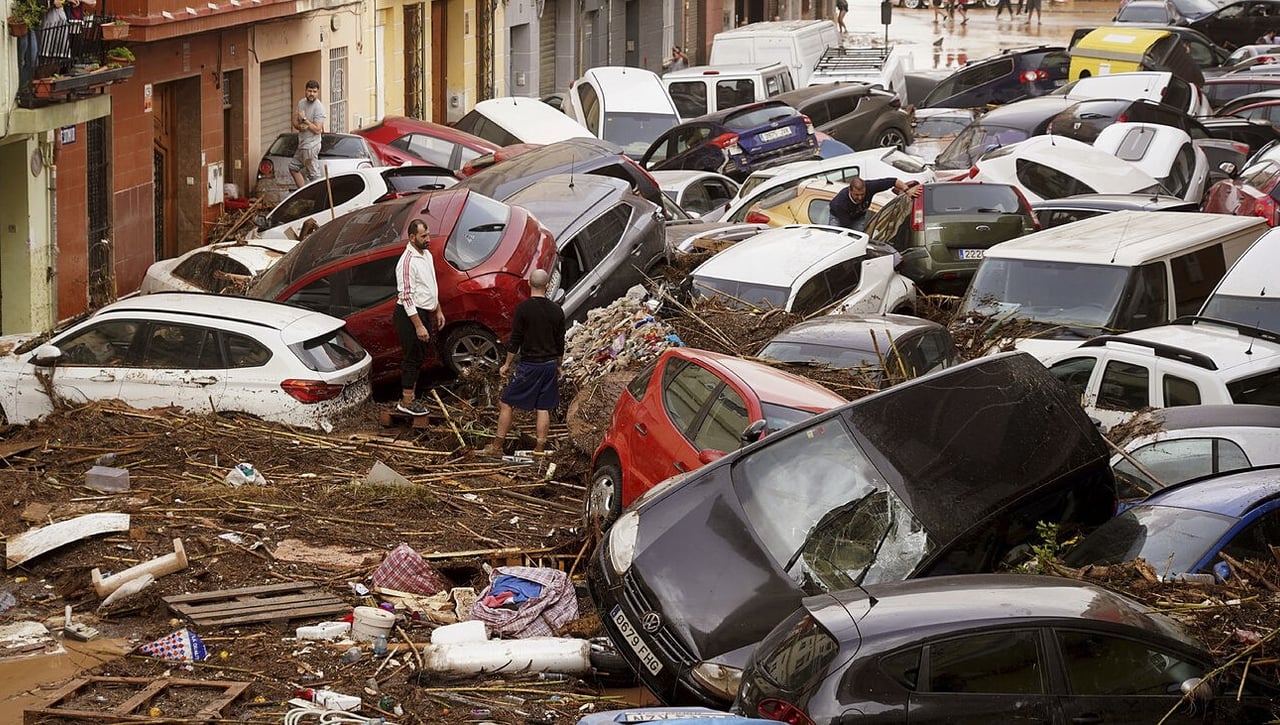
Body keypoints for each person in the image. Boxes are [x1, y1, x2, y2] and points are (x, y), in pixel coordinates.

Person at [482, 269, 566, 457]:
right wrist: (559, 365)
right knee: (543, 407)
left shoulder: (523, 310)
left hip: (530, 365)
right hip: (549, 365)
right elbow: (560, 341)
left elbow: (516, 340)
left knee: (506, 402)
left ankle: (496, 447)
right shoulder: (556, 311)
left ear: (529, 284)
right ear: (547, 286)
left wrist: (506, 364)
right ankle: (539, 449)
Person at [392, 219, 446, 417]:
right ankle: (406, 401)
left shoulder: (427, 255)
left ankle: (412, 396)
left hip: (425, 311)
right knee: (412, 356)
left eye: (428, 235)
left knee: (421, 354)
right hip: (410, 315)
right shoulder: (407, 262)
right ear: (412, 237)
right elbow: (406, 296)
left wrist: (438, 309)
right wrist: (418, 325)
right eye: (424, 236)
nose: (428, 239)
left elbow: (431, 285)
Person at [829, 177, 923, 233]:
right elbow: (847, 227)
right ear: (850, 190)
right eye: (856, 195)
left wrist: (907, 190)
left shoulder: (871, 186)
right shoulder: (840, 203)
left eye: (862, 194)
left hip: (858, 216)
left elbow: (894, 181)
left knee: (858, 239)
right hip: (838, 218)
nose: (860, 198)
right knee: (838, 239)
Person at [289, 80, 327, 188]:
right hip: (302, 144)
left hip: (311, 146)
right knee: (293, 168)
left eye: (314, 92)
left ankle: (320, 199)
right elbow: (295, 120)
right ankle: (303, 195)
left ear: (318, 92)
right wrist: (299, 126)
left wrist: (305, 120)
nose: (312, 94)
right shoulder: (301, 103)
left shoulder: (319, 108)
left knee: (314, 176)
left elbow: (317, 129)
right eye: (310, 91)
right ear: (305, 91)